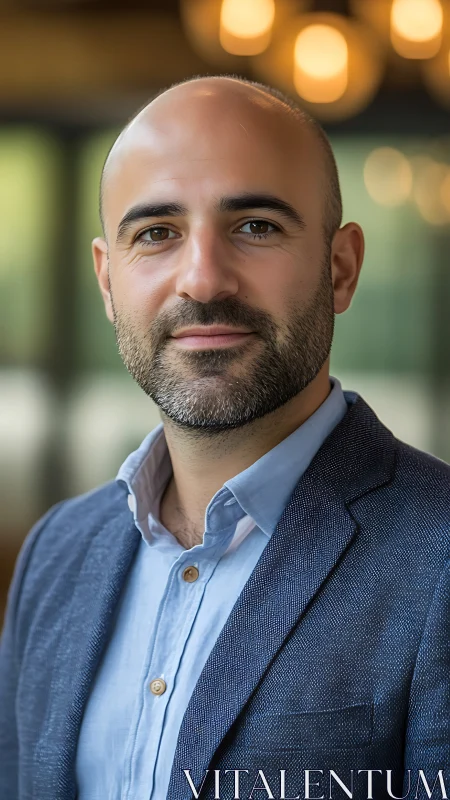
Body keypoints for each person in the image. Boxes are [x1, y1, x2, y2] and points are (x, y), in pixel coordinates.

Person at [0, 75, 449, 800]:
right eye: (156, 234)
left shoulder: (440, 557)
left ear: (341, 268)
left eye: (256, 226)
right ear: (108, 280)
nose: (204, 279)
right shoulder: (57, 554)